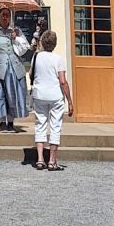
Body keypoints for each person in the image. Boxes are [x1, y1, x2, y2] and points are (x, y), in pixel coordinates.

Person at [29, 29, 74, 171]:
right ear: (54, 44)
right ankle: (52, 161)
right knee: (55, 126)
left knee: (40, 125)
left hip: (40, 94)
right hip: (55, 96)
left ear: (42, 42)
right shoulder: (58, 59)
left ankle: (40, 159)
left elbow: (31, 74)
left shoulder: (36, 57)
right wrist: (70, 101)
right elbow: (63, 81)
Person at [0, 4, 30, 131]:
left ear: (10, 17)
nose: (5, 17)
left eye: (7, 15)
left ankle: (11, 122)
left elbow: (24, 48)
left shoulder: (16, 31)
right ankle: (2, 121)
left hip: (13, 67)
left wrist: (16, 38)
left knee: (12, 94)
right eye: (3, 14)